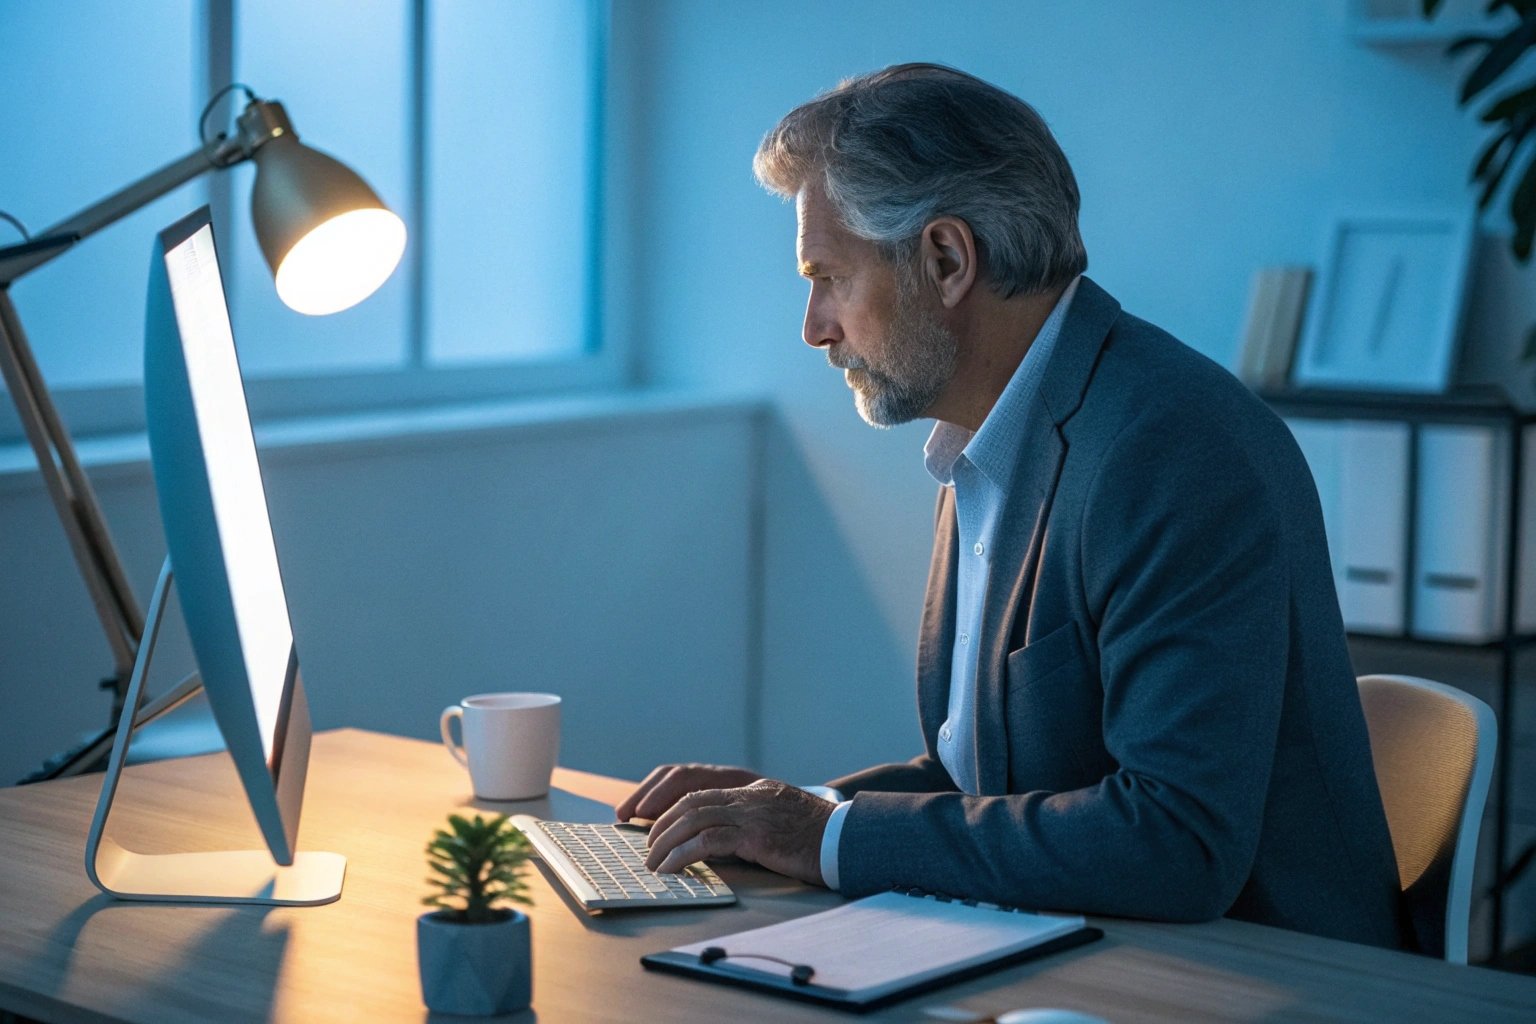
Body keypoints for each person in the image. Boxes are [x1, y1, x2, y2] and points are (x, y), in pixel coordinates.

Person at [617, 63, 1405, 949]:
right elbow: (993, 781)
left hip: (1268, 977)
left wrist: (825, 836)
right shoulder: (991, 434)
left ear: (946, 260)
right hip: (1088, 951)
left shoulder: (1174, 450)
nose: (814, 326)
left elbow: (1175, 840)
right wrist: (793, 814)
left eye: (828, 277)